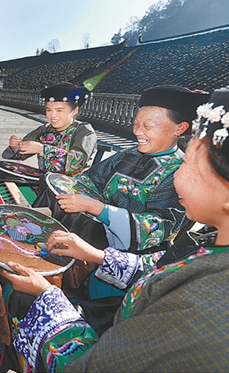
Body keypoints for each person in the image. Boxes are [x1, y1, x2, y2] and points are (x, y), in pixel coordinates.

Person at [0, 75, 229, 372]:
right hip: (98, 253)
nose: (180, 173)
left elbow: (92, 364)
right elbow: (90, 182)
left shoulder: (212, 308)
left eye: (190, 164)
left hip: (110, 291)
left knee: (17, 295)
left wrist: (47, 296)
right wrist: (94, 251)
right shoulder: (224, 245)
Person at [32, 85, 210, 298]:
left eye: (148, 125)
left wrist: (97, 208)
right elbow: (89, 180)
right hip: (89, 236)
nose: (137, 131)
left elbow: (156, 229)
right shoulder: (130, 153)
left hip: (123, 261)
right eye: (136, 124)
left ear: (179, 128)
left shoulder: (179, 172)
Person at [1, 82, 97, 176]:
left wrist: (43, 149)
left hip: (74, 186)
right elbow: (21, 154)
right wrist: (16, 147)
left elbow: (76, 164)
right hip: (44, 181)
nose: (53, 115)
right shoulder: (45, 130)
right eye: (49, 110)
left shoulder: (85, 131)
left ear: (75, 110)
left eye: (59, 110)